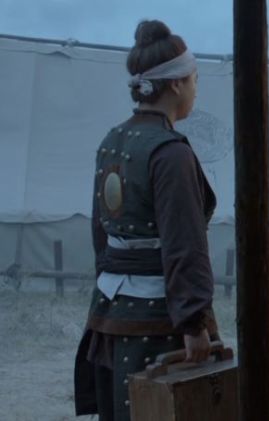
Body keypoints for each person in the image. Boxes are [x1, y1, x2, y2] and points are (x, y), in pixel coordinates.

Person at [73, 20, 217, 421]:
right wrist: (194, 322)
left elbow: (100, 233)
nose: (196, 89)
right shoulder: (171, 153)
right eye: (194, 80)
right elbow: (185, 243)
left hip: (110, 313)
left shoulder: (111, 141)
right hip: (159, 322)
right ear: (177, 85)